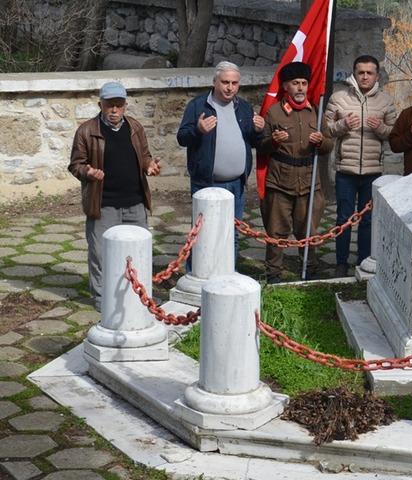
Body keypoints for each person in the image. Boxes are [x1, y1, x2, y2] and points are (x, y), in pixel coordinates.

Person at [68, 81, 161, 311]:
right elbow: (75, 164)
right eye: (110, 105)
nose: (114, 110)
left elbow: (145, 155)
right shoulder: (87, 131)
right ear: (101, 104)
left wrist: (149, 165)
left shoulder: (135, 128)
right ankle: (101, 298)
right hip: (103, 203)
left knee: (137, 251)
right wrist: (88, 172)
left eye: (119, 105)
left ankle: (137, 293)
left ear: (125, 106)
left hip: (135, 202)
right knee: (100, 253)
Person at [177, 61, 265, 261]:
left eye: (234, 83)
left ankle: (228, 276)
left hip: (236, 184)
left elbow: (253, 141)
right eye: (225, 82)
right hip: (206, 183)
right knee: (202, 234)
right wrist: (197, 130)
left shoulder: (243, 107)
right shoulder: (198, 105)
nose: (230, 87)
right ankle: (196, 275)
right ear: (215, 82)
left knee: (231, 234)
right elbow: (182, 138)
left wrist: (259, 131)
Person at [258, 62, 333, 283]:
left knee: (308, 232)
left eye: (304, 83)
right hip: (280, 182)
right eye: (295, 84)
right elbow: (260, 148)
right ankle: (273, 276)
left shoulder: (316, 112)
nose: (300, 88)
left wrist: (321, 142)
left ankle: (309, 273)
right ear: (285, 87)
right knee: (276, 233)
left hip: (309, 182)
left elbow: (329, 145)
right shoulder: (273, 113)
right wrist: (272, 141)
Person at [324, 55, 396, 277]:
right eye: (361, 72)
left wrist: (381, 129)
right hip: (346, 169)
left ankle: (365, 260)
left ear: (377, 75)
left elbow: (394, 134)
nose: (365, 76)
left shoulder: (385, 101)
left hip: (373, 172)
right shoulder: (338, 98)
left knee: (368, 220)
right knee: (343, 218)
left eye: (369, 73)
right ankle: (341, 262)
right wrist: (342, 125)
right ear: (354, 74)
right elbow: (326, 130)